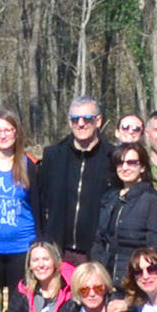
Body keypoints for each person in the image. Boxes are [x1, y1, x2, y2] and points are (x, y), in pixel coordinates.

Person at [34, 98, 117, 268]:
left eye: (87, 118)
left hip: (95, 251)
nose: (81, 124)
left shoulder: (113, 158)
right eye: (75, 119)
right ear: (69, 122)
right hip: (58, 249)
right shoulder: (53, 156)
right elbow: (40, 201)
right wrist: (43, 239)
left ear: (98, 121)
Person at [0, 113, 37, 290]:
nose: (3, 135)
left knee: (18, 304)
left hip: (22, 247)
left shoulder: (29, 164)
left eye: (8, 130)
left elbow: (37, 207)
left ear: (16, 132)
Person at [93, 143, 157, 271]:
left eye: (131, 162)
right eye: (120, 163)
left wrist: (141, 275)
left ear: (142, 167)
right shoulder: (110, 198)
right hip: (106, 277)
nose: (125, 167)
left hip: (136, 279)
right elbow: (98, 240)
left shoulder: (155, 201)